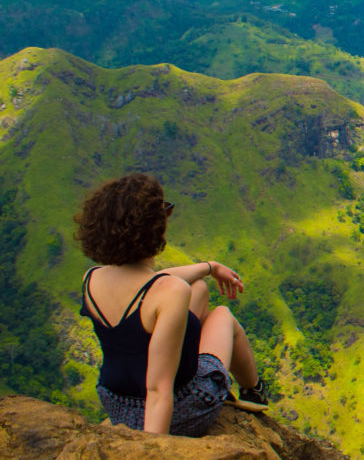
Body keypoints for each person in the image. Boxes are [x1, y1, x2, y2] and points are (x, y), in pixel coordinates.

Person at [74, 173, 269, 436]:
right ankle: (253, 391)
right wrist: (153, 449)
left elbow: (149, 284)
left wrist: (210, 268)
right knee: (222, 315)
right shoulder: (169, 292)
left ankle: (250, 390)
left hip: (117, 405)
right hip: (178, 410)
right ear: (155, 228)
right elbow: (157, 390)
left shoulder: (92, 278)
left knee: (198, 288)